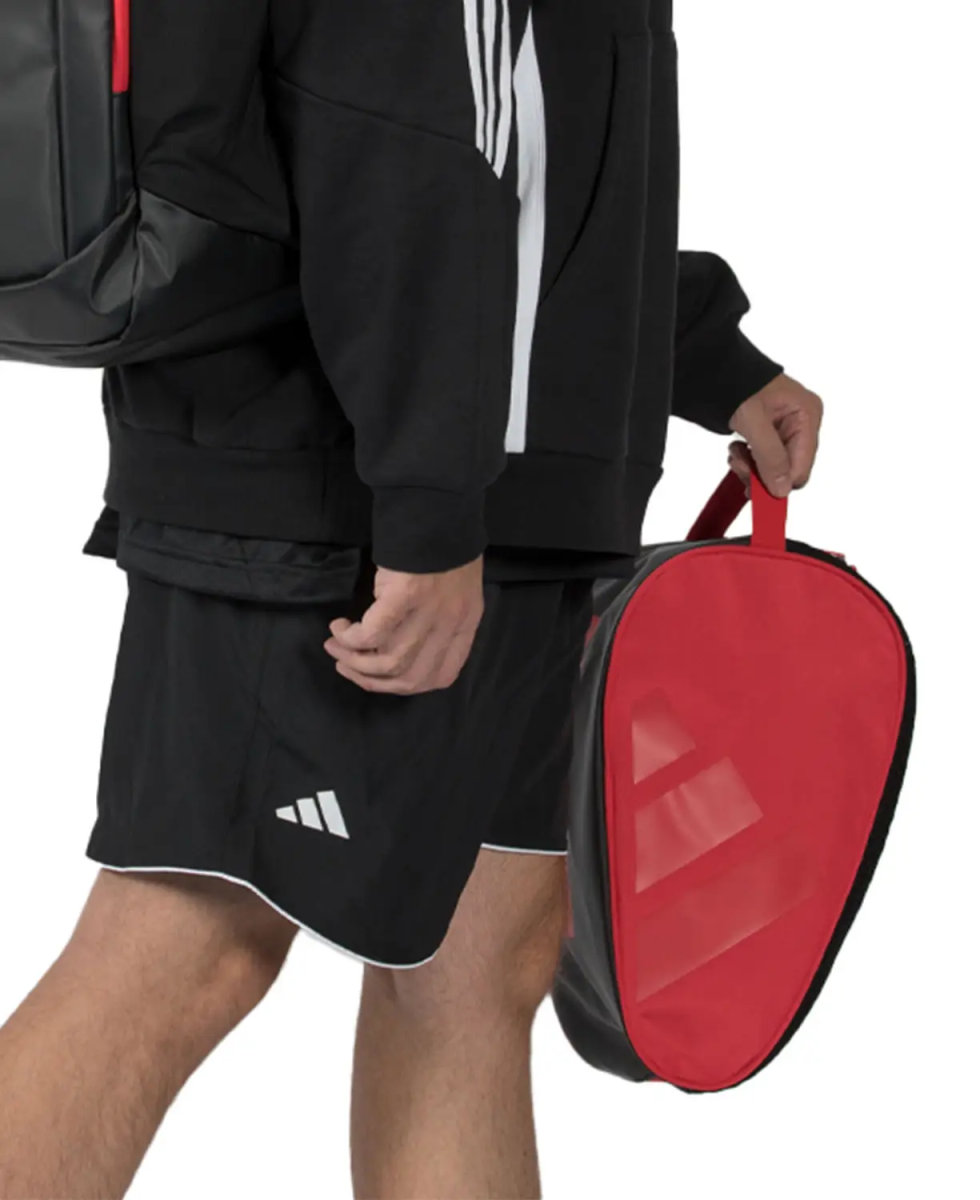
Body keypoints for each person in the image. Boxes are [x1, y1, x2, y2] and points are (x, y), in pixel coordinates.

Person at [0, 1, 823, 1197]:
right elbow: (390, 129)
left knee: (476, 970)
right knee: (187, 945)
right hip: (340, 484)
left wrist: (695, 350)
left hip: (500, 485)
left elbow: (523, 123)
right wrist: (431, 504)